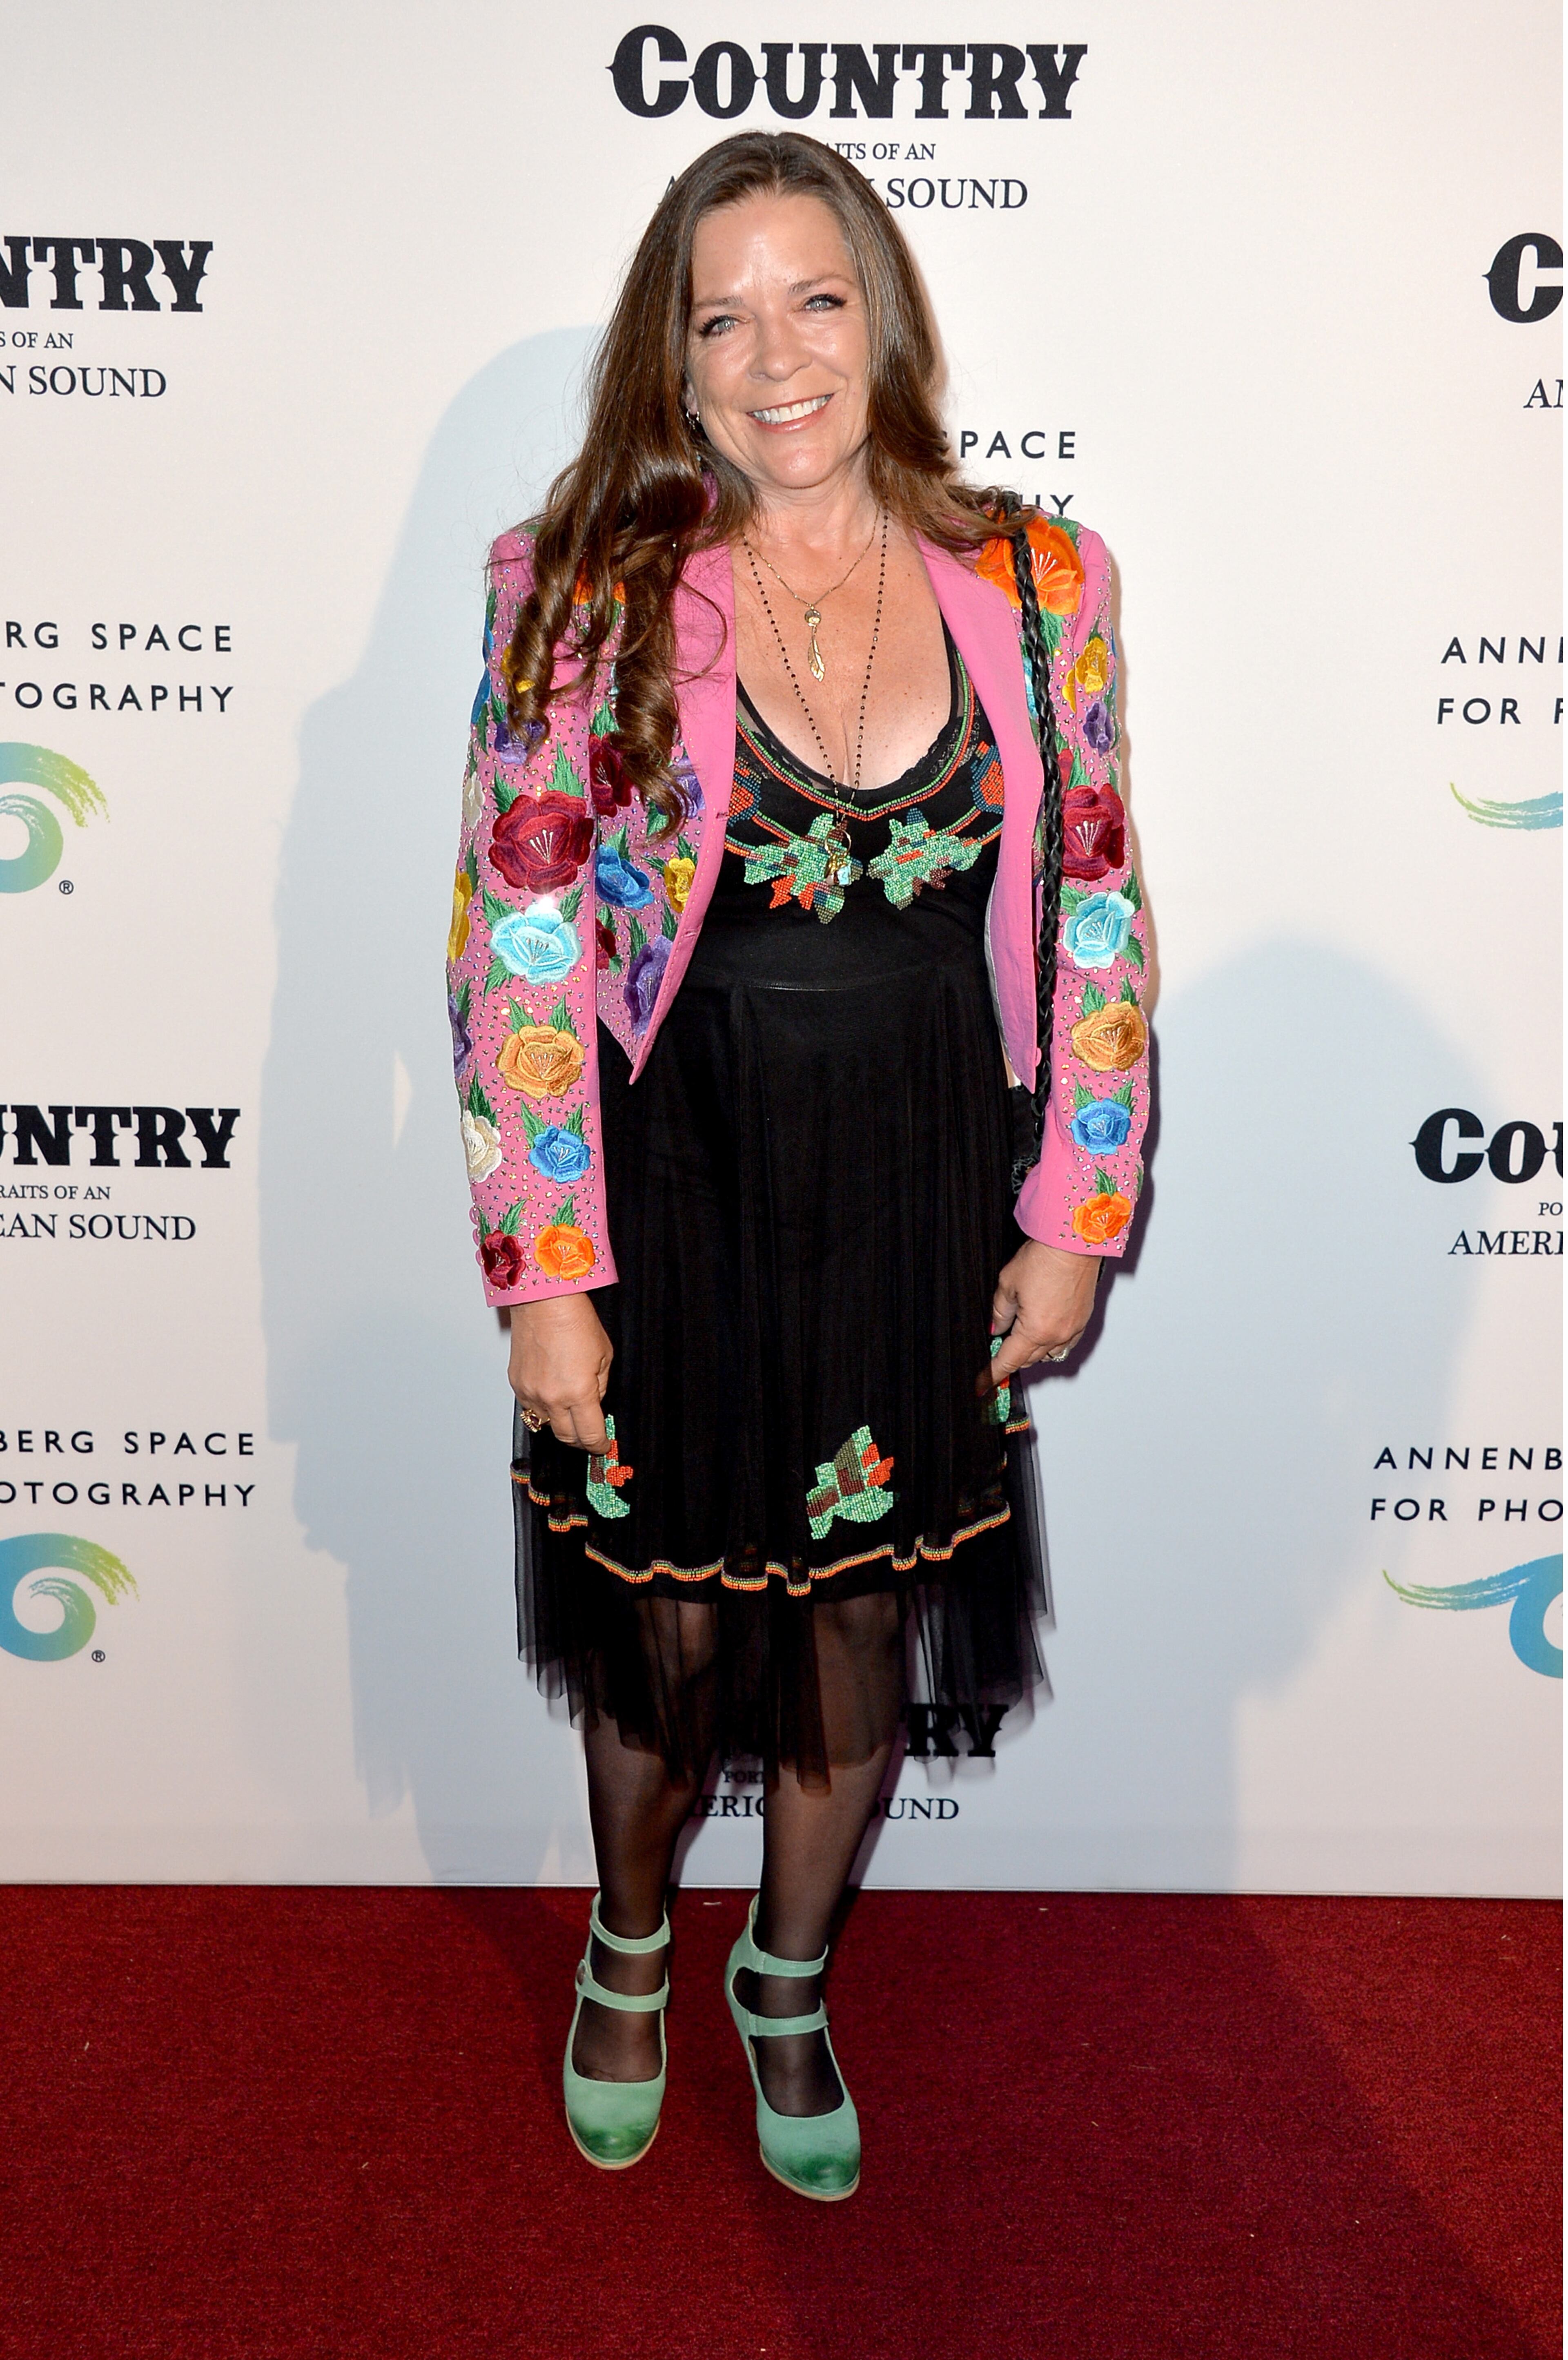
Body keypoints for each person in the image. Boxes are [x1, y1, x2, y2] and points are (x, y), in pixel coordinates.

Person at [447, 130, 1149, 2201]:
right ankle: (634, 1938)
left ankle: (785, 1973)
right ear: (673, 357)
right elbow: (519, 936)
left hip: (929, 1188)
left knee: (854, 1651)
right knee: (663, 1653)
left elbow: (1097, 911)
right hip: (674, 1190)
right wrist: (545, 1272)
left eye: (816, 299)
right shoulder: (579, 592)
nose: (778, 357)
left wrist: (1075, 1215)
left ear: (886, 316)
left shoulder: (1043, 581)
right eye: (722, 313)